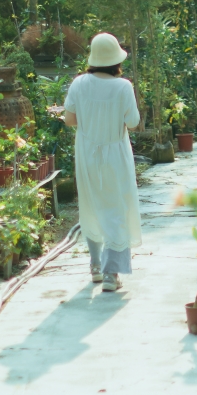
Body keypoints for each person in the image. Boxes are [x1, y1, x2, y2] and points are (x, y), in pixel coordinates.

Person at [61, 32, 142, 292]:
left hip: (86, 153)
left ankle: (95, 266)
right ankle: (111, 273)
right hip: (115, 153)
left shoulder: (79, 83)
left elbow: (70, 120)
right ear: (116, 60)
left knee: (91, 204)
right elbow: (133, 122)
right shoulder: (123, 87)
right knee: (116, 207)